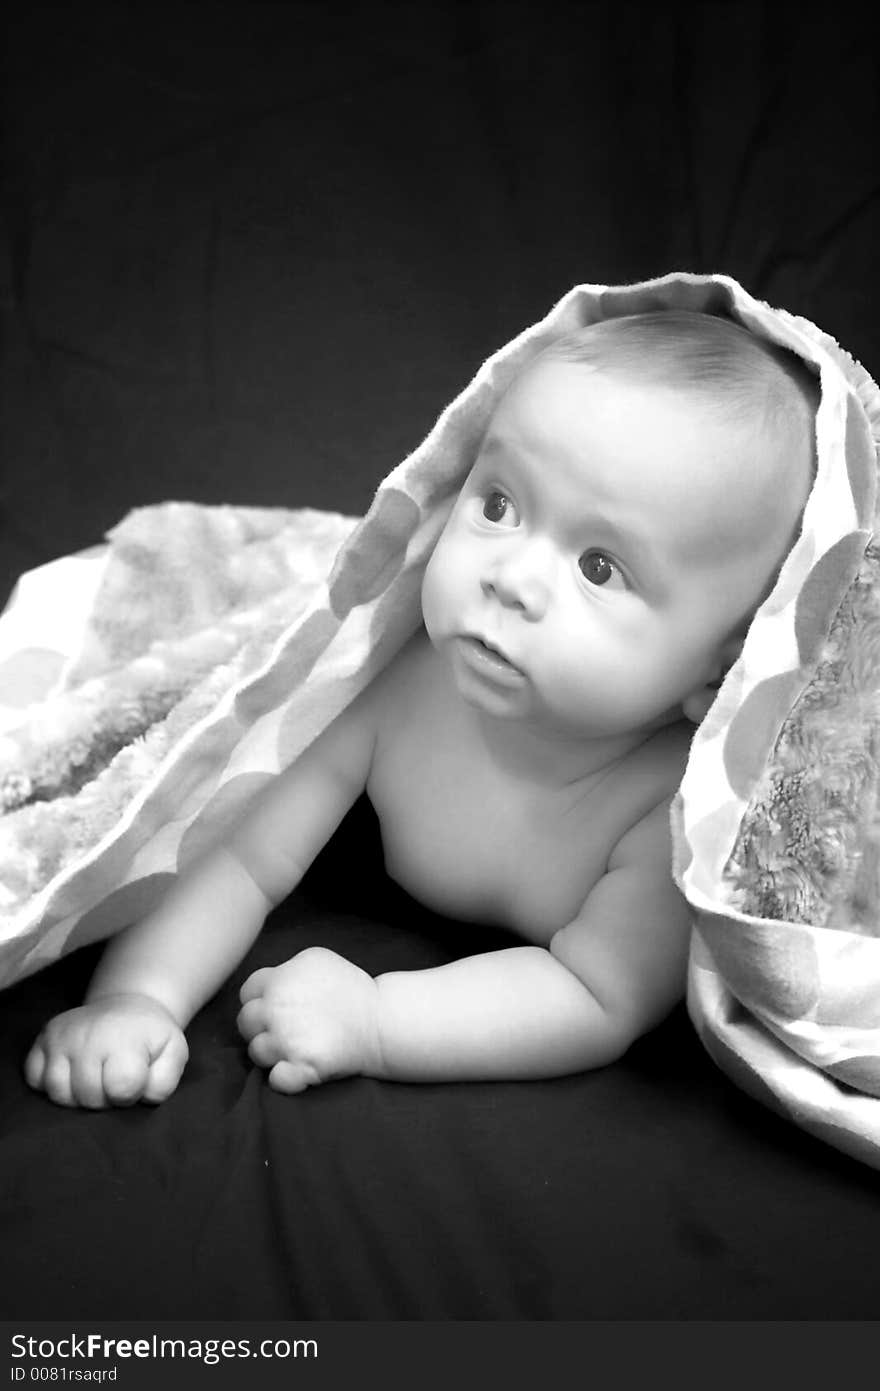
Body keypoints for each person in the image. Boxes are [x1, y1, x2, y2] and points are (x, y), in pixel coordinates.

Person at [23, 309, 819, 1107]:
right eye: (500, 504)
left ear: (724, 666)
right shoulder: (403, 681)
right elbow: (239, 851)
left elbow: (594, 995)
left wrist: (378, 1020)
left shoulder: (677, 817)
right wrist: (138, 997)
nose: (508, 576)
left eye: (600, 566)